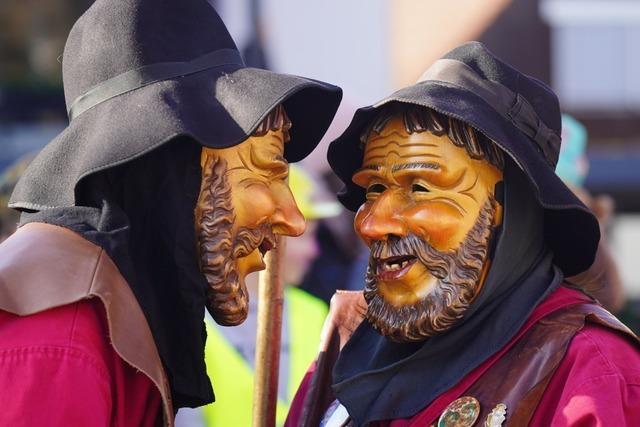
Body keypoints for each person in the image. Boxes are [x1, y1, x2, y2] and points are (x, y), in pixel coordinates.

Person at [0, 0, 341, 425]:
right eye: (265, 171)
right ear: (175, 164)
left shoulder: (103, 312)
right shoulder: (60, 337)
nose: (293, 219)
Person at [286, 42, 640, 427]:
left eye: (420, 187)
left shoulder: (587, 367)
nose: (372, 223)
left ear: (510, 210)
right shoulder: (351, 346)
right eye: (373, 189)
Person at [176, 165, 342, 426]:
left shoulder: (316, 312)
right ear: (261, 235)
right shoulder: (190, 320)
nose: (314, 252)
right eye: (303, 237)